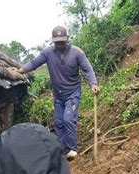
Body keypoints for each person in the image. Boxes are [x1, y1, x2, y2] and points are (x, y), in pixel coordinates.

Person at [15, 26, 100, 160]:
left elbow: (87, 69)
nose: (60, 44)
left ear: (67, 39)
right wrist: (20, 71)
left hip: (72, 93)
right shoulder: (48, 53)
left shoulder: (77, 53)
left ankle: (72, 148)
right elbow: (34, 63)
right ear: (53, 41)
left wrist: (93, 83)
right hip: (58, 95)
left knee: (68, 119)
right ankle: (62, 149)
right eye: (57, 42)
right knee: (58, 122)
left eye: (62, 41)